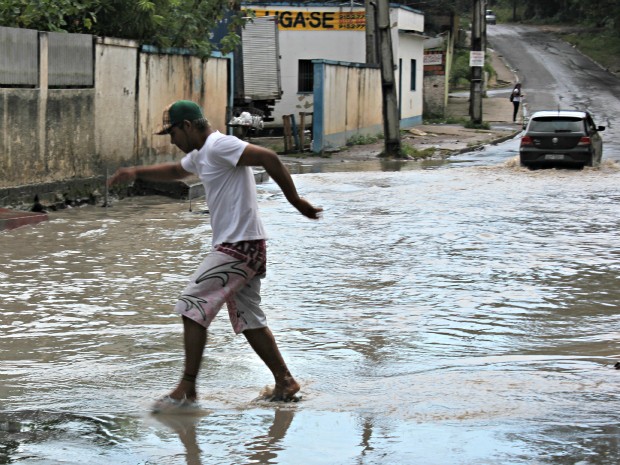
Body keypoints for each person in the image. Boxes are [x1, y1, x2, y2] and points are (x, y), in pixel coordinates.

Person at [107, 100, 323, 412]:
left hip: (239, 247)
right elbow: (174, 171)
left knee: (191, 304)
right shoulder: (202, 154)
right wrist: (135, 172)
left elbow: (269, 157)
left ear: (187, 126)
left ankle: (187, 389)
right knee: (249, 318)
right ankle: (285, 382)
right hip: (244, 246)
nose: (171, 141)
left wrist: (296, 201)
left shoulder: (221, 145)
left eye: (172, 134)